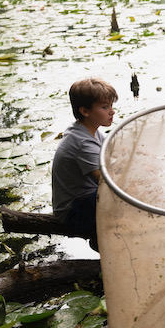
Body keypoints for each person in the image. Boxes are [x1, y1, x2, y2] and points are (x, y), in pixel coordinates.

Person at [51, 77, 117, 249]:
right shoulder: (82, 142)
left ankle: (103, 240)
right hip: (74, 211)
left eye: (111, 106)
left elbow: (115, 157)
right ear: (85, 111)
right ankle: (104, 243)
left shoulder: (91, 133)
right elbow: (106, 182)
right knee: (129, 207)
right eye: (105, 107)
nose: (112, 111)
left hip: (87, 200)